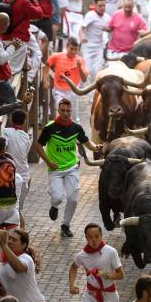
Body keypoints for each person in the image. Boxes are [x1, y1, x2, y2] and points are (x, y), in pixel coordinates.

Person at [35, 99, 102, 237]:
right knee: (58, 198)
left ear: (71, 111)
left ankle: (65, 225)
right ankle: (54, 205)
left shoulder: (76, 128)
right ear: (58, 111)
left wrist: (97, 147)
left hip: (72, 167)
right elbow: (38, 145)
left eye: (68, 111)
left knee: (73, 199)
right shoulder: (50, 127)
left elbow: (87, 143)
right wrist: (48, 162)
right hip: (55, 169)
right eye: (63, 111)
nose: (65, 113)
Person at [43, 37, 89, 122]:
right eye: (71, 49)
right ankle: (59, 130)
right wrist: (45, 80)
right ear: (67, 47)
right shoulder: (57, 57)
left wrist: (79, 68)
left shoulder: (80, 60)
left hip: (74, 91)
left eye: (76, 49)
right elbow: (47, 65)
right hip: (59, 91)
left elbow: (84, 79)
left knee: (73, 118)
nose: (73, 52)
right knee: (62, 111)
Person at [1, 109, 31, 228]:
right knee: (17, 210)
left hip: (9, 177)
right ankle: (21, 234)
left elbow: (3, 149)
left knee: (13, 211)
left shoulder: (5, 132)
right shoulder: (27, 137)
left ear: (11, 120)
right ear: (24, 122)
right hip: (24, 176)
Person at [79, 0, 110, 91]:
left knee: (96, 71)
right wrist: (82, 38)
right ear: (95, 5)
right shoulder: (90, 15)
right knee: (87, 70)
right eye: (100, 6)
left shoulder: (107, 17)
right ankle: (80, 86)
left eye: (104, 6)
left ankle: (93, 92)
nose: (102, 8)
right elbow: (81, 28)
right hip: (88, 46)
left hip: (99, 47)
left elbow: (110, 29)